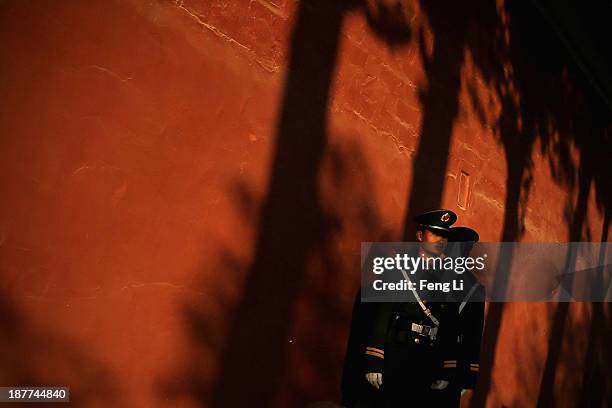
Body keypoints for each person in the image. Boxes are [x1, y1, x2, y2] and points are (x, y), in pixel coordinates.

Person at [361, 209, 461, 407]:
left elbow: (449, 326)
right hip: (396, 355)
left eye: (445, 236)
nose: (441, 240)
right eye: (435, 233)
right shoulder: (398, 269)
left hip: (427, 360)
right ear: (420, 235)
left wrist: (446, 368)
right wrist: (374, 359)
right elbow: (381, 315)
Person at [431, 226, 485, 406]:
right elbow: (473, 336)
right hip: (453, 363)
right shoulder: (475, 287)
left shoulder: (429, 273)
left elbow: (474, 333)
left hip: (424, 354)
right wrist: (468, 376)